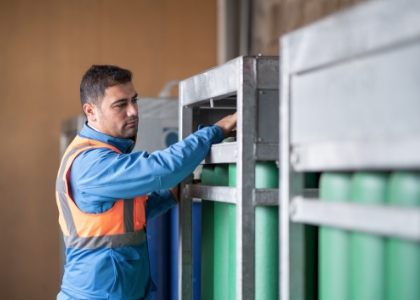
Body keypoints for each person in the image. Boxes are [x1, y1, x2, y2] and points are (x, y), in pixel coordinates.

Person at [56, 65, 237, 300]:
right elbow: (162, 168)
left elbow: (126, 217)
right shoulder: (91, 162)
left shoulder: (108, 153)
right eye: (120, 105)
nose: (133, 111)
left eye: (134, 100)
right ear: (91, 112)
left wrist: (169, 195)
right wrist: (216, 131)